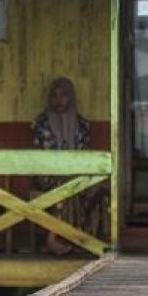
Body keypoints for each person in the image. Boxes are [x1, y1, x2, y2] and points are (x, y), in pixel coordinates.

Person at [31, 77, 107, 255]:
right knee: (66, 185)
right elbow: (38, 157)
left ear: (71, 97)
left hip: (76, 174)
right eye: (54, 95)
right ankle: (53, 238)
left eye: (63, 95)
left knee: (100, 187)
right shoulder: (40, 124)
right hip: (47, 176)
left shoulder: (82, 125)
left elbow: (85, 156)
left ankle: (89, 239)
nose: (59, 100)